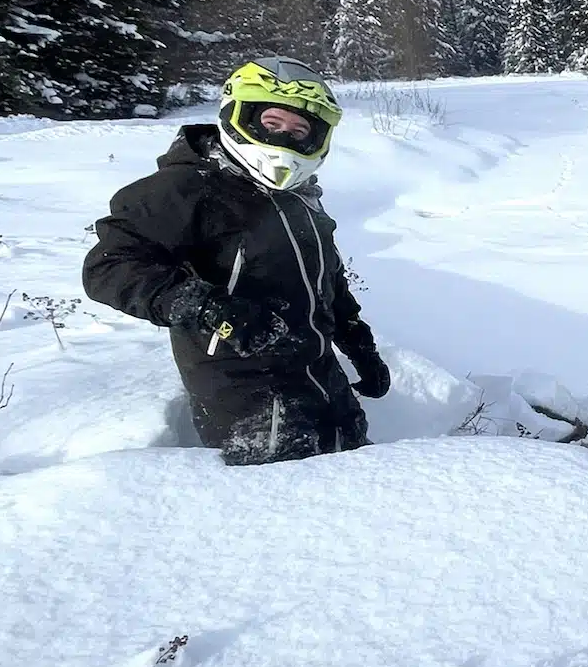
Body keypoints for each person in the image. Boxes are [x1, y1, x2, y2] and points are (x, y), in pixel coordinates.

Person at [82, 57, 391, 466]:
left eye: (300, 131)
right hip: (247, 397)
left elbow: (327, 277)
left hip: (323, 380)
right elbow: (108, 266)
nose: (285, 139)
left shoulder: (300, 198)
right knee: (276, 512)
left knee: (362, 483)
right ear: (240, 116)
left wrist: (359, 343)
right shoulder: (186, 189)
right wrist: (211, 308)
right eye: (272, 123)